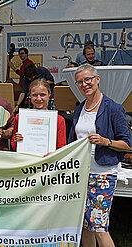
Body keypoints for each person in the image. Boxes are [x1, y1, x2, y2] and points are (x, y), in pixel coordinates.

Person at [68, 64, 131, 247]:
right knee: (86, 225)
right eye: (80, 82)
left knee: (99, 227)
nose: (84, 84)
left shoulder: (113, 108)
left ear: (97, 79)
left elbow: (126, 144)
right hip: (81, 174)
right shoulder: (80, 109)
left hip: (103, 174)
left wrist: (106, 142)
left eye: (88, 79)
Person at [11, 78, 66, 151]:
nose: (39, 98)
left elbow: (61, 148)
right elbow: (14, 146)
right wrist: (17, 141)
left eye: (42, 95)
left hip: (48, 161)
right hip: (26, 160)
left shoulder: (58, 120)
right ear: (30, 94)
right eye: (34, 95)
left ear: (49, 94)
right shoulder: (20, 118)